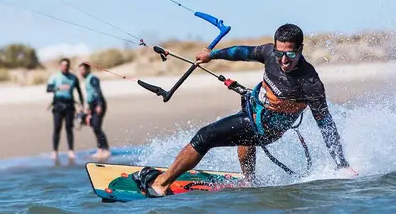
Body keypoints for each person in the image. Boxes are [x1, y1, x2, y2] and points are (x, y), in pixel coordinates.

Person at [133, 23, 358, 197]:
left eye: (290, 54)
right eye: (279, 53)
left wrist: (342, 165)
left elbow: (325, 123)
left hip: (268, 128)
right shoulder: (269, 53)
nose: (283, 60)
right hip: (253, 111)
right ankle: (250, 181)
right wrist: (212, 55)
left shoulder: (310, 82)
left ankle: (161, 184)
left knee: (205, 136)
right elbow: (241, 52)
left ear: (300, 49)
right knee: (243, 136)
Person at [46, 58, 85, 161]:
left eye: (66, 65)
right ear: (60, 66)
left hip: (69, 106)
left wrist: (82, 105)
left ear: (69, 66)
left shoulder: (73, 78)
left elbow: (79, 92)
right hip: (58, 105)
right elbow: (48, 89)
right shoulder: (55, 77)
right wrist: (58, 88)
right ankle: (55, 151)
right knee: (57, 128)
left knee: (69, 128)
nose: (65, 67)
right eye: (63, 65)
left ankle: (71, 151)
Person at [78, 62, 111, 160]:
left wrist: (99, 105)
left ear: (88, 70)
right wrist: (88, 109)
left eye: (83, 70)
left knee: (96, 127)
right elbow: (90, 95)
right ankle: (101, 150)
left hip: (98, 104)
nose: (81, 72)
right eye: (80, 71)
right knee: (95, 127)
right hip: (93, 106)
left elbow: (98, 91)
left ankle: (105, 150)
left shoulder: (93, 78)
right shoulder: (87, 79)